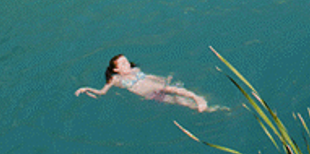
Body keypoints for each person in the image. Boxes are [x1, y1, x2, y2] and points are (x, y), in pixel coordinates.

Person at [75, 54, 213, 112]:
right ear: (116, 69)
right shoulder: (115, 79)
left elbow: (149, 76)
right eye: (123, 64)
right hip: (150, 94)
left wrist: (163, 79)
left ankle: (197, 98)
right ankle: (212, 109)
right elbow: (102, 92)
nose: (127, 64)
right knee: (177, 101)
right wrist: (86, 88)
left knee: (176, 91)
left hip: (156, 86)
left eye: (126, 61)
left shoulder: (135, 70)